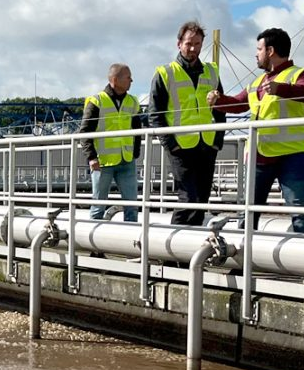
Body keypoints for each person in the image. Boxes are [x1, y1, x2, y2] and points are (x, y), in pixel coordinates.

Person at [208, 27, 304, 233]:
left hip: (291, 155)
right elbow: (238, 104)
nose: (255, 54)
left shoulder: (299, 74)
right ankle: (241, 259)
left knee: (299, 209)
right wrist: (218, 101)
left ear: (270, 51)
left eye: (259, 49)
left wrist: (281, 89)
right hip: (259, 156)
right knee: (248, 210)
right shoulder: (257, 82)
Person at [149, 20, 226, 226]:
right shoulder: (165, 73)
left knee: (201, 199)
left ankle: (190, 247)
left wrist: (217, 140)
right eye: (189, 43)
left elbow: (221, 108)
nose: (193, 48)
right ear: (179, 44)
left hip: (207, 144)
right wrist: (170, 145)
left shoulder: (211, 71)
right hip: (180, 146)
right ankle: (173, 251)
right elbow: (154, 115)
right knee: (188, 197)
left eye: (198, 44)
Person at [79, 63, 142, 222]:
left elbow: (137, 129)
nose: (131, 81)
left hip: (126, 160)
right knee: (98, 205)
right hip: (103, 162)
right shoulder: (97, 101)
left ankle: (131, 240)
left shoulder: (133, 102)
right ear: (115, 79)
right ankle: (93, 242)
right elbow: (85, 131)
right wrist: (91, 157)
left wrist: (135, 153)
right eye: (128, 77)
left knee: (132, 206)